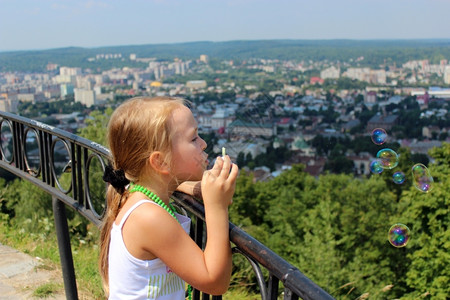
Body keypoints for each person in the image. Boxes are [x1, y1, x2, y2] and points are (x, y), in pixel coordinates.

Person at [99, 96, 238, 299]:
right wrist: (217, 206)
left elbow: (168, 182)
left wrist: (199, 189)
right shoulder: (149, 217)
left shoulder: (137, 192)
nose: (204, 144)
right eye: (193, 139)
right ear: (161, 161)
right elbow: (214, 282)